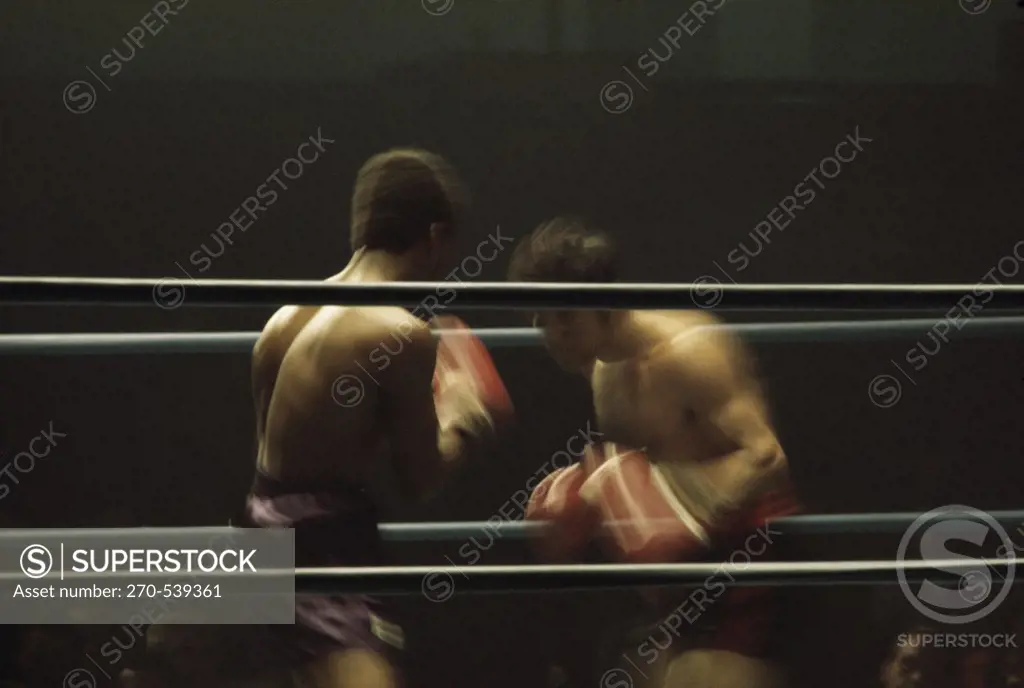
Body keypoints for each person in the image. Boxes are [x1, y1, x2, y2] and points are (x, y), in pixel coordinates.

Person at [244, 148, 509, 688]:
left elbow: (300, 452)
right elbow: (420, 481)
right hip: (322, 549)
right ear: (435, 236)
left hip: (263, 530)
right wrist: (463, 416)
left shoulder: (285, 319)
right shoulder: (400, 333)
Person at [514, 217, 800, 688]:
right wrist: (589, 501)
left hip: (751, 551)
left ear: (605, 303)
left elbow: (767, 457)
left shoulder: (690, 352)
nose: (554, 333)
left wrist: (676, 508)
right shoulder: (603, 376)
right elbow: (643, 495)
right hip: (687, 573)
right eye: (543, 318)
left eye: (566, 315)